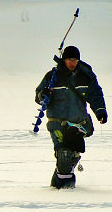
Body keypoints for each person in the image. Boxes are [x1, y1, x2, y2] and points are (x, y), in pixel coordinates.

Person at [35, 46, 108, 189]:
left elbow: (95, 95)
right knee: (63, 153)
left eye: (75, 60)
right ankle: (65, 189)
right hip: (57, 123)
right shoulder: (52, 77)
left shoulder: (86, 77)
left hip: (78, 123)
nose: (72, 62)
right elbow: (38, 94)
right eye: (69, 59)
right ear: (64, 59)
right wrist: (43, 95)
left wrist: (100, 112)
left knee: (70, 155)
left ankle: (59, 186)